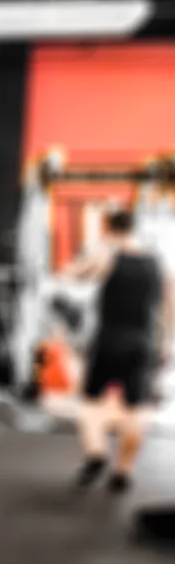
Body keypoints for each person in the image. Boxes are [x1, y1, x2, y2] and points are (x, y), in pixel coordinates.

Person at [65, 208, 174, 494]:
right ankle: (123, 472)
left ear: (109, 228)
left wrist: (97, 249)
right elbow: (170, 304)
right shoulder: (157, 262)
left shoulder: (108, 256)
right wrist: (168, 342)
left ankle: (96, 453)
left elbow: (73, 275)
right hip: (143, 342)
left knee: (90, 404)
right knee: (135, 409)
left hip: (109, 340)